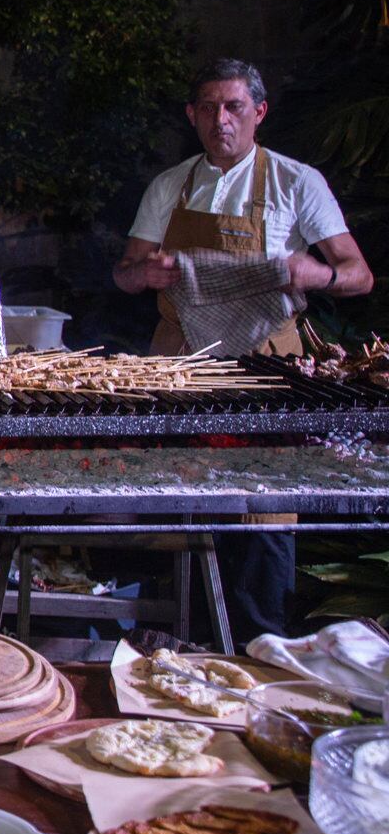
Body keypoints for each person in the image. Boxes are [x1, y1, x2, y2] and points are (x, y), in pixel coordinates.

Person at [114, 57, 373, 638]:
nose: (220, 120)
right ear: (191, 115)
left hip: (265, 367)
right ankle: (170, 647)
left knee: (262, 512)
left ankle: (261, 651)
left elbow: (359, 274)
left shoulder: (296, 182)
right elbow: (125, 273)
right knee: (177, 504)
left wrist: (315, 275)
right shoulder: (170, 185)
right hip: (180, 366)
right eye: (207, 108)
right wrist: (145, 276)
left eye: (233, 107)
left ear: (258, 113)